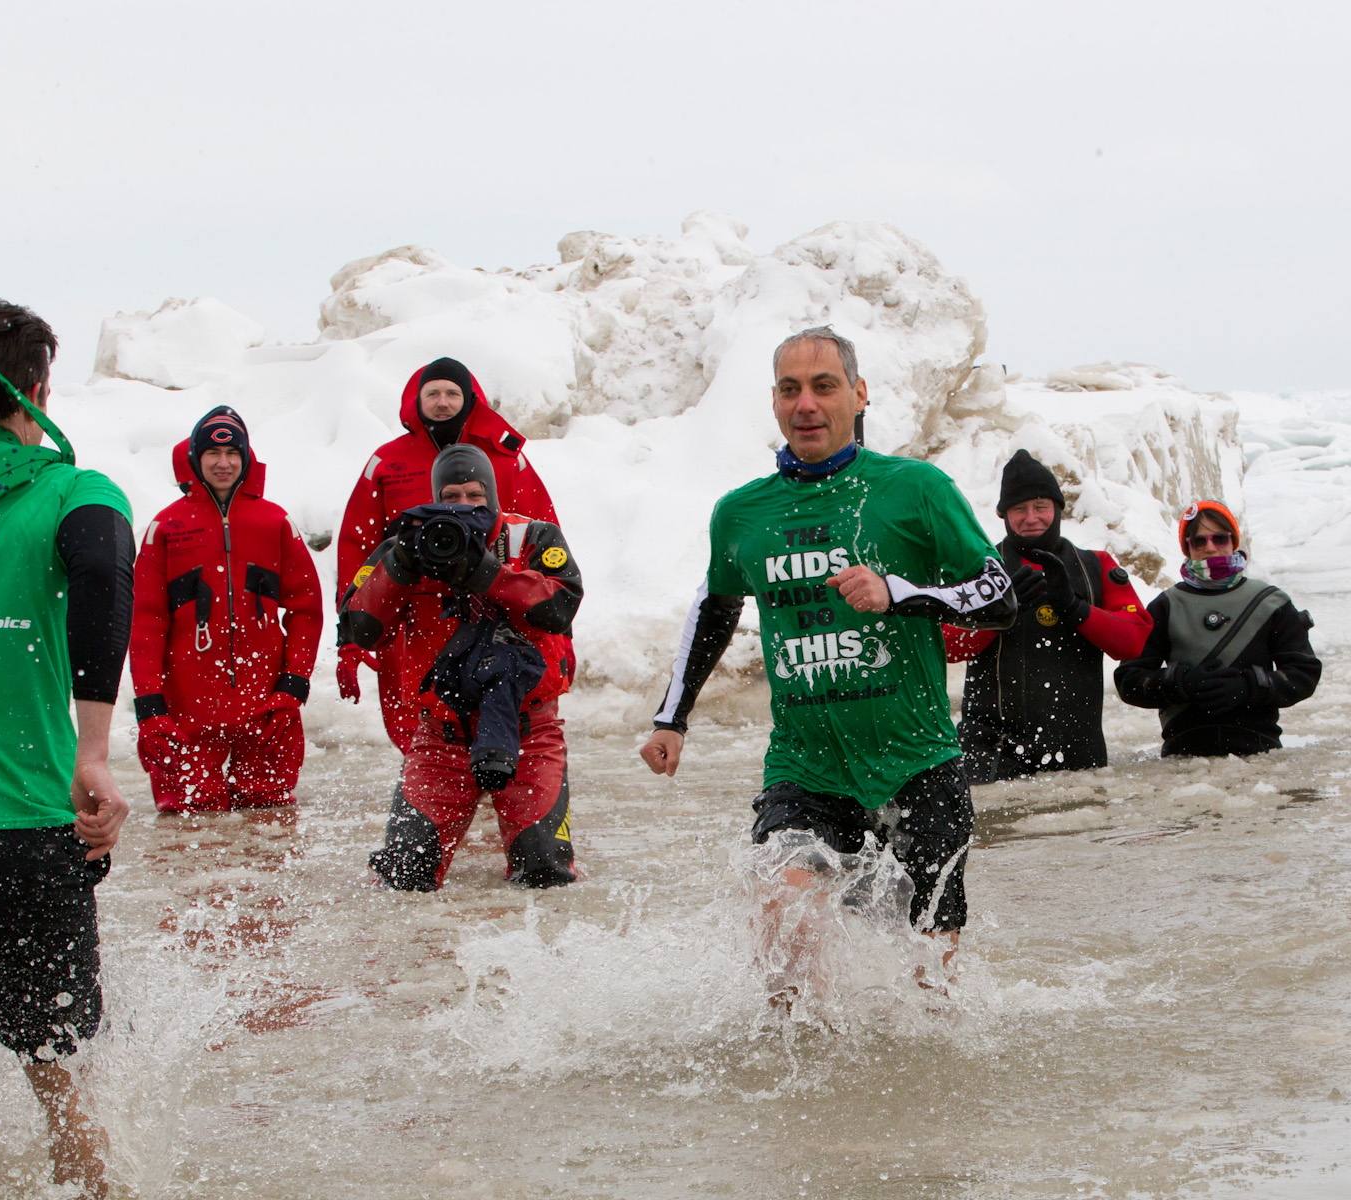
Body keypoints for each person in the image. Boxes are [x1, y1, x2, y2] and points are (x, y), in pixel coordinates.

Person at [638, 326, 1016, 976]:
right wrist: (672, 719)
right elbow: (716, 604)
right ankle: (806, 1061)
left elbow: (998, 594)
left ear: (858, 394)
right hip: (805, 765)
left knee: (930, 969)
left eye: (823, 386)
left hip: (918, 763)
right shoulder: (742, 513)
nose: (806, 405)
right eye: (790, 390)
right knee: (781, 916)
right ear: (776, 402)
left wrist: (898, 592)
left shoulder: (915, 488)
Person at [0, 299, 133, 1198]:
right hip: (23, 828)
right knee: (59, 1067)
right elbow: (105, 571)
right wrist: (96, 750)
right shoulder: (73, 491)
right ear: (34, 392)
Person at [342, 444, 584, 889]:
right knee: (403, 877)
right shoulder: (405, 547)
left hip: (528, 731)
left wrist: (487, 573)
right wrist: (400, 565)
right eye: (450, 496)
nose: (463, 506)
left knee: (546, 874)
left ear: (491, 496)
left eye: (474, 496)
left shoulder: (532, 537)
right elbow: (359, 628)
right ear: (435, 496)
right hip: (441, 736)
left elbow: (560, 608)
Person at [334, 357, 559, 749]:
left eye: (452, 393)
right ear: (415, 400)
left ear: (469, 398)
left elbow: (548, 547)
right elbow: (357, 547)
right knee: (424, 734)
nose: (442, 402)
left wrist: (562, 637)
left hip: (501, 614)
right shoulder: (386, 463)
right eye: (433, 393)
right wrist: (350, 639)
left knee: (510, 733)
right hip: (415, 620)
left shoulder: (504, 458)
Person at [130, 407, 323, 812]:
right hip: (188, 713)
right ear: (195, 459)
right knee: (190, 834)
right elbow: (145, 623)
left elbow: (306, 609)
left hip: (266, 708)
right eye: (212, 454)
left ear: (246, 458)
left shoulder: (275, 522)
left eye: (233, 453)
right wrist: (150, 708)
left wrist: (293, 686)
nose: (223, 463)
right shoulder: (166, 527)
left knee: (271, 827)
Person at [945, 449, 1151, 782]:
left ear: (1057, 509)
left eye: (1041, 506)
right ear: (1004, 515)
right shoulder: (977, 568)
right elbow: (946, 645)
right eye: (1018, 509)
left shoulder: (1095, 566)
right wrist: (999, 612)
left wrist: (1076, 608)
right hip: (991, 756)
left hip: (1077, 757)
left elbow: (1135, 642)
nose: (1031, 518)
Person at [1114, 500, 1321, 756]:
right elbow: (1129, 680)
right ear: (1187, 548)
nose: (1210, 548)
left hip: (1259, 751)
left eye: (1220, 538)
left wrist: (1250, 686)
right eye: (1199, 541)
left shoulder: (1271, 602)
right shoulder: (1165, 606)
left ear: (1234, 542)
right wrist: (1180, 682)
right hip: (1183, 755)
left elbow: (1304, 673)